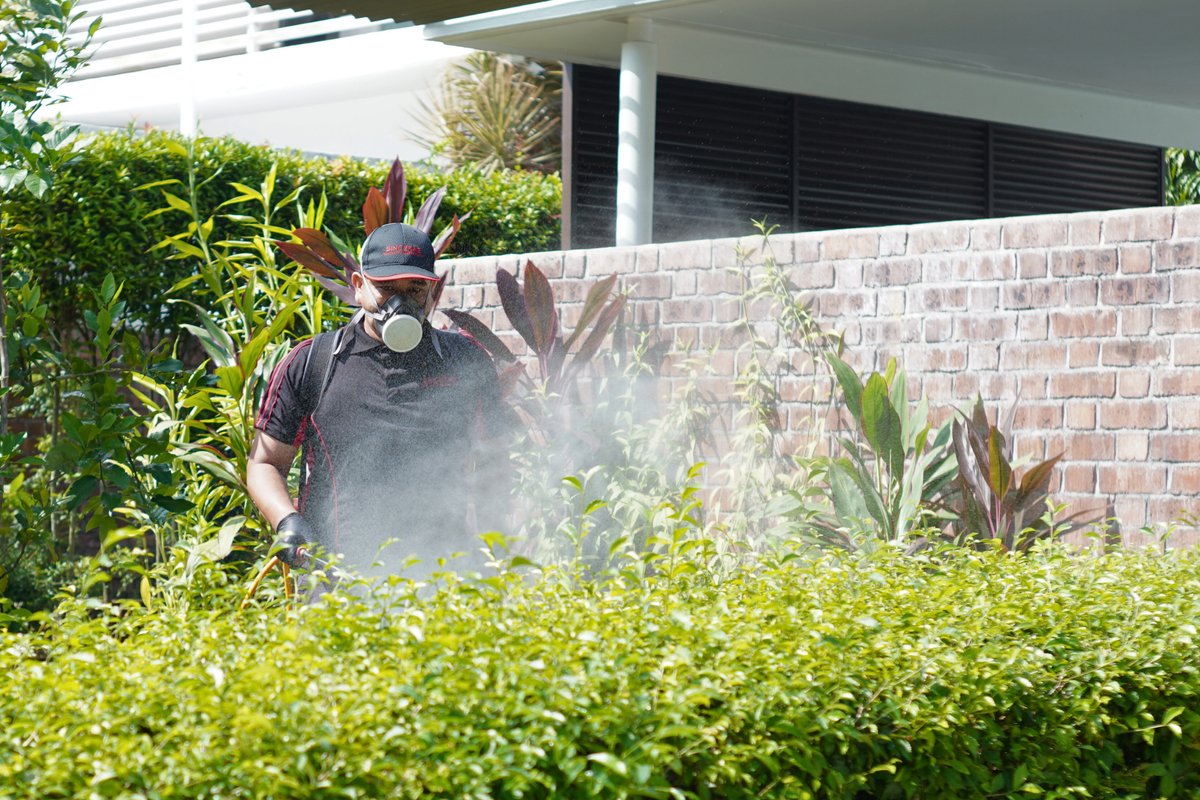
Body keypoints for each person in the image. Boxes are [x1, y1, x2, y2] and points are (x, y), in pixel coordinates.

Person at [246, 222, 511, 589]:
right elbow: (265, 462)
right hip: (335, 581)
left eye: (415, 288)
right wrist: (286, 521)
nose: (400, 302)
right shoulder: (313, 363)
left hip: (442, 579)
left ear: (432, 291)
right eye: (385, 289)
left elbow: (495, 463)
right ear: (358, 287)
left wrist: (494, 558)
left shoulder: (465, 360)